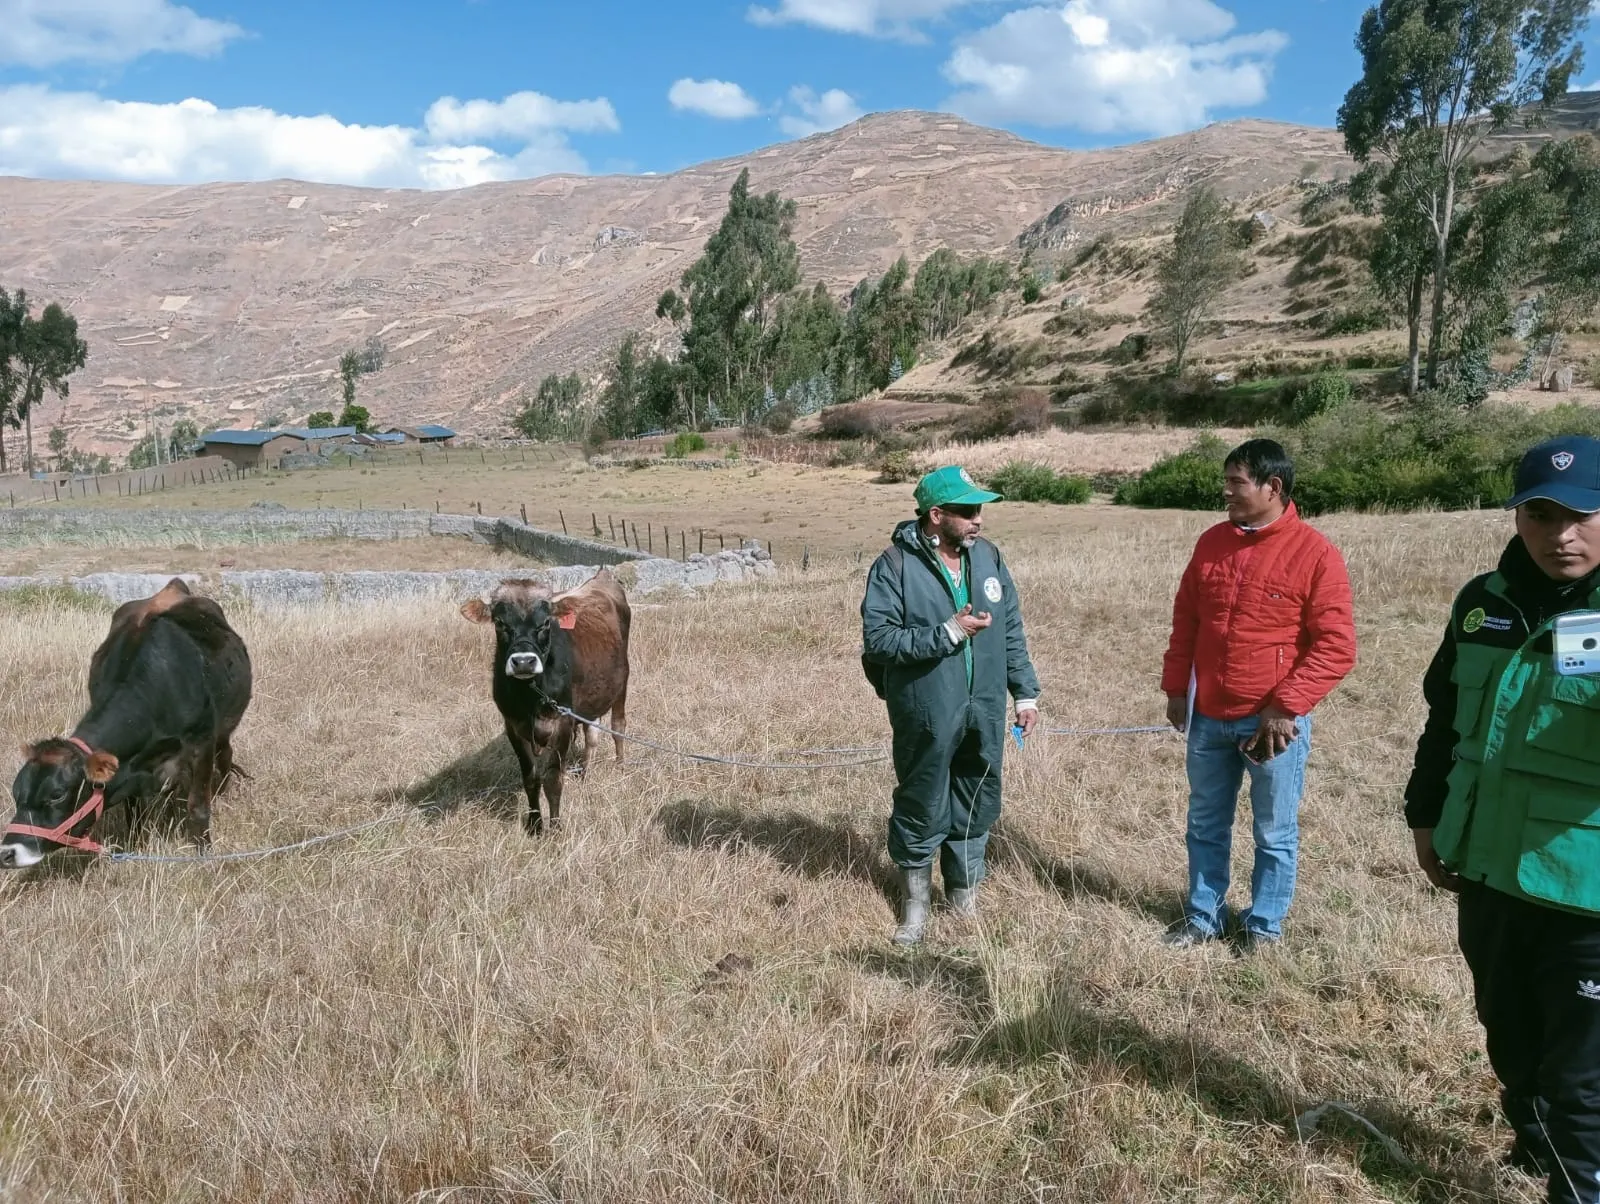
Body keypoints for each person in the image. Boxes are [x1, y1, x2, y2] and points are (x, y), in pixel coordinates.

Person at [1405, 435, 1600, 1203]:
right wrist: (1426, 819)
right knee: (1510, 1036)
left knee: (1583, 1077)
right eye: (1542, 516)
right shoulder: (1483, 603)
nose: (1563, 535)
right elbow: (1443, 720)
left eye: (1584, 514)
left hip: (1585, 889)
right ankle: (1533, 1138)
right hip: (1485, 866)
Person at [1160, 438, 1357, 951]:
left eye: (1235, 482)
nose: (1225, 491)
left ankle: (1263, 926)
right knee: (1205, 823)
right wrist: (1176, 687)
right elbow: (1187, 620)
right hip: (1207, 716)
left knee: (1273, 832)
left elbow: (1337, 647)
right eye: (1226, 481)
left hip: (1272, 725)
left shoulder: (1315, 553)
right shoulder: (1210, 544)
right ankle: (1203, 915)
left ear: (1273, 487)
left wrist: (1285, 706)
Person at [860, 465, 1041, 945]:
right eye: (967, 511)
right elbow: (878, 641)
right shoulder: (894, 566)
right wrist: (948, 633)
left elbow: (1011, 631)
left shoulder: (989, 559)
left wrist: (1024, 693)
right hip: (926, 710)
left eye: (980, 509)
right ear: (936, 515)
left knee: (978, 795)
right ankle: (915, 908)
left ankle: (963, 899)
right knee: (923, 801)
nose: (978, 519)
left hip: (984, 709)